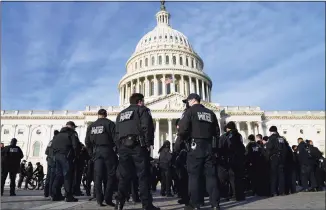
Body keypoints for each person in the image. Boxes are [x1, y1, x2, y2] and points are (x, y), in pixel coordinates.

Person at [114, 93, 159, 210]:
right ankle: (146, 204)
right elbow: (147, 127)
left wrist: (120, 147)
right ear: (140, 101)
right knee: (143, 176)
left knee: (124, 176)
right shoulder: (143, 110)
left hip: (123, 148)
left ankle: (119, 202)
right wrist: (148, 144)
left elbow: (116, 133)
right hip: (138, 146)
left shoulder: (121, 114)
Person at [178, 93, 220, 210]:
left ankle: (195, 204)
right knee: (211, 176)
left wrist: (186, 139)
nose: (187, 103)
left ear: (192, 100)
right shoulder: (210, 113)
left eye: (187, 101)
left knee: (194, 176)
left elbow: (182, 130)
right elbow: (217, 132)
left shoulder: (189, 112)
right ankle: (215, 204)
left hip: (195, 146)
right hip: (209, 146)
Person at [85, 109, 117, 206]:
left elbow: (87, 141)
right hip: (108, 151)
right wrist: (116, 151)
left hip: (96, 152)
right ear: (106, 115)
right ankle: (108, 198)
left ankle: (99, 199)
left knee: (98, 176)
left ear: (98, 115)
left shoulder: (91, 126)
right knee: (111, 175)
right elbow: (115, 138)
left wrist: (91, 153)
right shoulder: (110, 124)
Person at [51, 121, 80, 202]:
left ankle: (55, 195)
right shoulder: (72, 133)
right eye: (74, 127)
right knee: (68, 176)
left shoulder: (58, 135)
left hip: (57, 156)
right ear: (72, 126)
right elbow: (75, 145)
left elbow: (53, 146)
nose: (74, 128)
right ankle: (68, 196)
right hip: (66, 156)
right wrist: (76, 156)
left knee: (58, 175)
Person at [266, 126, 287, 196]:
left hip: (274, 158)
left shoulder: (271, 138)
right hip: (281, 158)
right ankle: (282, 191)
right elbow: (285, 149)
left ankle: (274, 191)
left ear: (271, 131)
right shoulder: (281, 138)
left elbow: (269, 148)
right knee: (281, 175)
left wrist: (268, 158)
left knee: (274, 175)